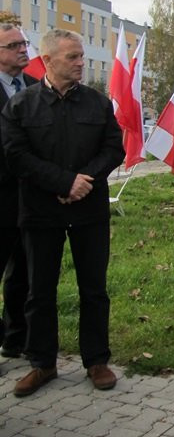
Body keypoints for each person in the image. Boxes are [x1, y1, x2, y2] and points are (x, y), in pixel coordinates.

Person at [1, 29, 124, 396]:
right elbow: (16, 155)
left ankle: (96, 360)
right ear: (49, 60)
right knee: (39, 291)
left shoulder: (97, 103)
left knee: (94, 289)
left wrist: (83, 182)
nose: (81, 63)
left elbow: (113, 148)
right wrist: (63, 183)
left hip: (89, 212)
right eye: (72, 57)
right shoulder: (22, 105)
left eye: (81, 56)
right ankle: (42, 363)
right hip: (41, 212)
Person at [0, 24, 37, 363]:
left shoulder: (35, 87)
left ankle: (15, 340)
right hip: (0, 196)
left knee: (23, 273)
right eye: (13, 45)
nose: (23, 49)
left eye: (24, 43)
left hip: (29, 198)